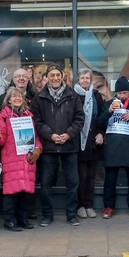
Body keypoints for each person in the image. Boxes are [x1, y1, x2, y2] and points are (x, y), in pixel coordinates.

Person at [32, 63, 84, 227]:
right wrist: (51, 135)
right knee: (46, 183)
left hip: (69, 146)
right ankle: (47, 215)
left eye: (58, 75)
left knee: (73, 182)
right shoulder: (39, 98)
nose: (55, 78)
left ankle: (71, 214)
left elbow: (79, 119)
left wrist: (68, 134)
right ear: (47, 78)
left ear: (63, 77)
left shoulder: (73, 96)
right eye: (52, 75)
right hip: (49, 147)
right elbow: (37, 121)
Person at [97, 76, 129, 220]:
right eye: (120, 93)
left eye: (125, 93)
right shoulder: (108, 104)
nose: (122, 96)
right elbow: (99, 124)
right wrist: (109, 112)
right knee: (110, 180)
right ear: (116, 93)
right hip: (112, 147)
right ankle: (108, 207)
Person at [0, 87, 43, 231]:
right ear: (8, 100)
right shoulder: (2, 116)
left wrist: (38, 150)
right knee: (11, 193)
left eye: (19, 96)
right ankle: (9, 221)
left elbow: (37, 138)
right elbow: (0, 141)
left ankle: (23, 219)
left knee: (25, 193)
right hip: (11, 160)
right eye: (13, 97)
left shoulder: (29, 116)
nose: (17, 99)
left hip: (27, 159)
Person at [73, 69, 105, 219]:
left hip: (93, 141)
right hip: (78, 141)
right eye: (82, 78)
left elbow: (102, 117)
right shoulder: (72, 95)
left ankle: (89, 205)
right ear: (78, 79)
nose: (85, 80)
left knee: (92, 176)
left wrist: (101, 132)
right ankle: (79, 205)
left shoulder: (96, 96)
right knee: (81, 176)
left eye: (87, 78)